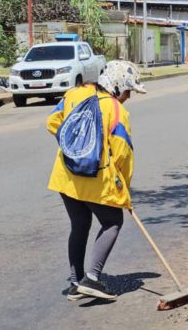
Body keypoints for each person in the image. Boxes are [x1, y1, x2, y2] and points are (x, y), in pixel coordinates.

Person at [46, 61, 146, 301]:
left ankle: (74, 282)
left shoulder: (74, 94)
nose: (129, 96)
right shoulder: (117, 110)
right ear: (117, 85)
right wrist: (125, 190)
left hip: (66, 174)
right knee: (112, 221)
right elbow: (122, 153)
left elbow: (52, 122)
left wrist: (76, 147)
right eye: (128, 90)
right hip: (96, 179)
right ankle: (91, 278)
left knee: (79, 224)